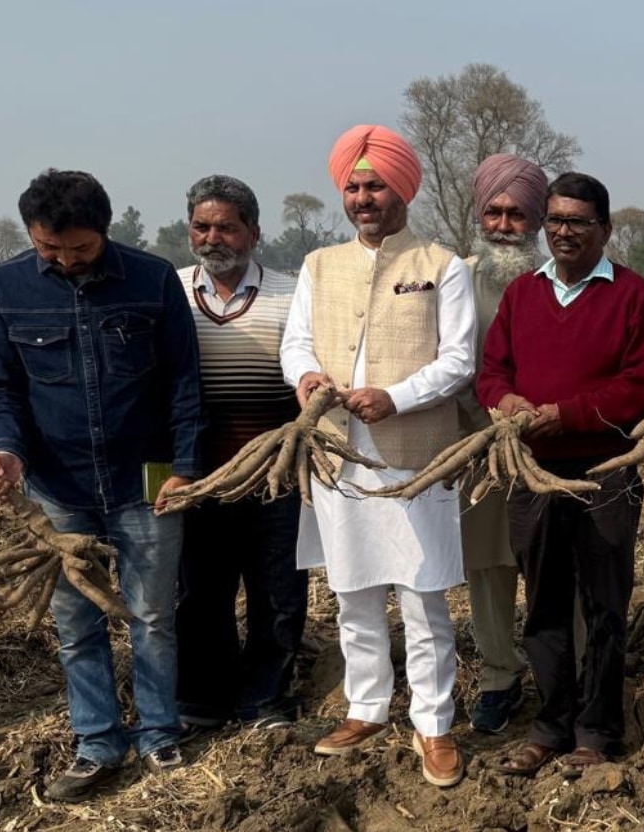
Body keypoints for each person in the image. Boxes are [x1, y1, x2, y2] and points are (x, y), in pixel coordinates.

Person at [0, 169, 203, 800]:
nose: (66, 260)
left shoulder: (153, 280)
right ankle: (98, 740)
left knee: (154, 614)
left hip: (150, 472)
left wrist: (184, 465)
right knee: (76, 622)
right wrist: (8, 454)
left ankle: (159, 733)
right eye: (50, 248)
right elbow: (1, 391)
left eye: (79, 248)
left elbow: (185, 382)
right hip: (56, 486)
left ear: (103, 232)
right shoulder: (5, 288)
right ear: (33, 236)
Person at [280, 125, 476, 788]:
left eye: (376, 186)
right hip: (338, 453)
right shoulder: (318, 265)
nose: (364, 198)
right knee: (354, 588)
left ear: (403, 190)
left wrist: (396, 396)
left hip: (413, 455)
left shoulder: (443, 266)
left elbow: (457, 360)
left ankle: (434, 722)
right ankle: (366, 706)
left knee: (422, 595)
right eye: (354, 187)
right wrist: (306, 379)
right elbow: (296, 342)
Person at [477, 173, 644, 776]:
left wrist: (569, 414)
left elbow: (642, 384)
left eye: (578, 222)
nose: (563, 232)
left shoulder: (632, 296)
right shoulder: (522, 295)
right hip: (531, 468)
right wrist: (507, 404)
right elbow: (491, 371)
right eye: (555, 220)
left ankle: (598, 730)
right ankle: (550, 725)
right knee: (544, 602)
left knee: (605, 603)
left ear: (605, 230)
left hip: (605, 468)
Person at [173, 175, 308, 736]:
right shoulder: (171, 291)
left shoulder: (292, 292)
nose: (213, 238)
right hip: (200, 475)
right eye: (202, 226)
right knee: (201, 590)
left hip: (274, 474)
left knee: (277, 590)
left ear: (253, 231)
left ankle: (265, 700)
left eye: (226, 226)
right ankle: (205, 698)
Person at [459, 154, 548, 735]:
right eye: (494, 211)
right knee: (487, 565)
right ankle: (498, 673)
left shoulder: (561, 277)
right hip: (475, 442)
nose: (504, 224)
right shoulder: (454, 278)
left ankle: (562, 671)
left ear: (538, 220)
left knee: (553, 562)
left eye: (517, 214)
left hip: (552, 443)